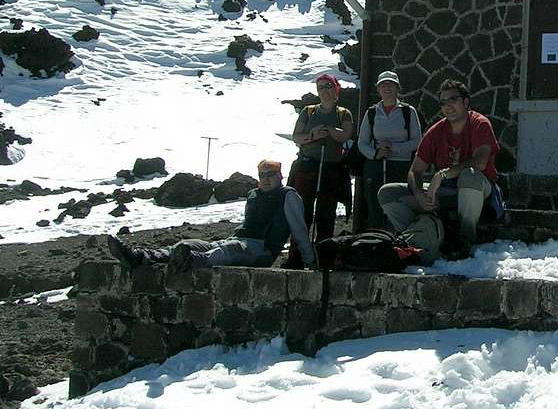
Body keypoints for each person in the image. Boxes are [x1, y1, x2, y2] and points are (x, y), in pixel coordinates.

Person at [106, 159, 316, 271]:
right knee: (190, 243)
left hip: (261, 249)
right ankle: (141, 256)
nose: (267, 179)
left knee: (227, 251)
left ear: (280, 176)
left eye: (271, 175)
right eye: (263, 175)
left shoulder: (288, 196)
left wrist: (309, 260)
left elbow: (299, 230)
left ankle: (190, 262)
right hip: (238, 240)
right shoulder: (254, 195)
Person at [378, 79, 499, 264]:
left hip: (478, 190)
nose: (448, 106)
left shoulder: (479, 123)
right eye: (443, 102)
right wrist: (419, 193)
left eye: (453, 100)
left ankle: (465, 241)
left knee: (470, 175)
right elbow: (415, 171)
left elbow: (481, 162)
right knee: (387, 193)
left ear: (465, 102)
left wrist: (442, 174)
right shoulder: (436, 131)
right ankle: (419, 239)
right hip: (446, 191)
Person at [285, 72, 353, 265]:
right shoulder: (308, 111)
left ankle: (324, 256)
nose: (324, 91)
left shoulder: (343, 113)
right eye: (321, 87)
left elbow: (346, 135)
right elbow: (296, 136)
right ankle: (296, 257)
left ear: (335, 89)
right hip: (308, 165)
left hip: (332, 167)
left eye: (327, 87)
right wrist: (313, 136)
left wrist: (330, 132)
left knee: (326, 213)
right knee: (302, 212)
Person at [356, 70, 422, 230]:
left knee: (398, 202)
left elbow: (417, 141)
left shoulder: (408, 112)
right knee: (374, 203)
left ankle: (399, 239)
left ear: (397, 88)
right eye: (383, 85)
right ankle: (378, 237)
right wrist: (376, 153)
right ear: (378, 89)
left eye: (391, 85)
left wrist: (394, 148)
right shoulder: (372, 113)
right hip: (377, 166)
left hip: (402, 166)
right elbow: (362, 142)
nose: (387, 88)